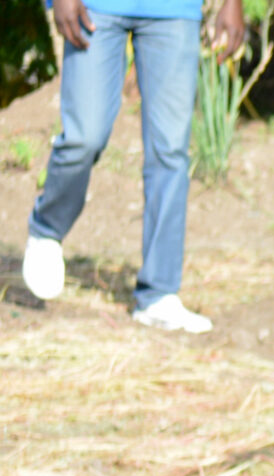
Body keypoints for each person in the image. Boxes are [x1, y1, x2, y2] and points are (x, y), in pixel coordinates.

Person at [21, 0, 244, 331]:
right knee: (85, 136)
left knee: (170, 151)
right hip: (96, 7)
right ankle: (47, 228)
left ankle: (159, 293)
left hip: (174, 11)